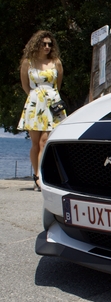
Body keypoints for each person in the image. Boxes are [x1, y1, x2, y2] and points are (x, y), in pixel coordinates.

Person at [17, 30, 66, 191]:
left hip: (51, 103)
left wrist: (49, 96)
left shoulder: (56, 62)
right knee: (35, 143)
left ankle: (42, 176)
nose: (47, 47)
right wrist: (36, 97)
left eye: (49, 44)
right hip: (34, 102)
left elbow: (58, 85)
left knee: (45, 141)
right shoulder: (28, 63)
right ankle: (36, 175)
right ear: (37, 44)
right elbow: (25, 85)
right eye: (44, 44)